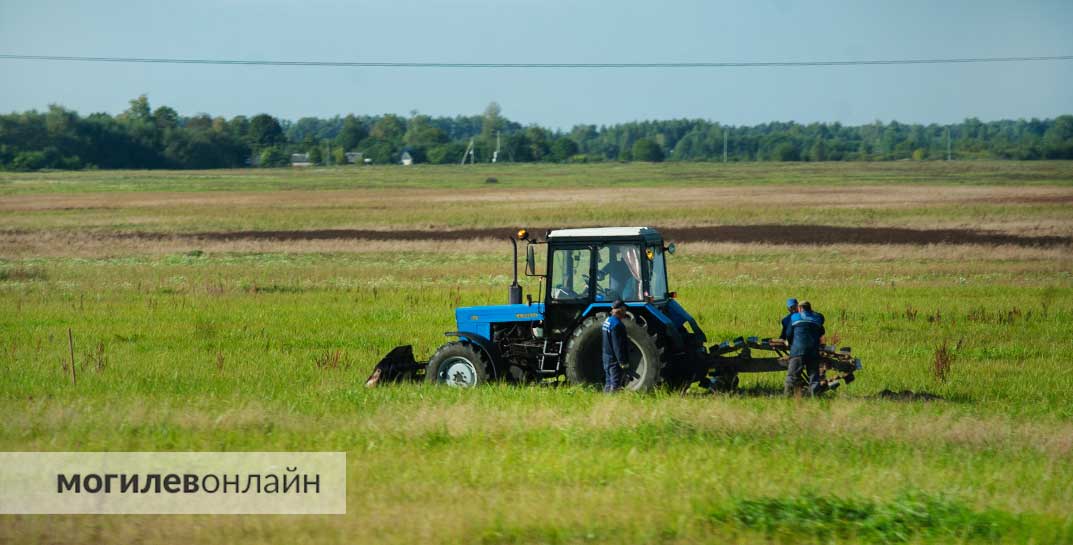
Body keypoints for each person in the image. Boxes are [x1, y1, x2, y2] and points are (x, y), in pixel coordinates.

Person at [784, 300, 828, 396]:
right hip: (813, 350)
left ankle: (788, 397)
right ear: (810, 308)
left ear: (799, 308)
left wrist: (791, 344)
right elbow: (822, 331)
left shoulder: (794, 317)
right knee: (814, 377)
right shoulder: (817, 317)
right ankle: (815, 397)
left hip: (798, 350)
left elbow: (788, 334)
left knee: (792, 375)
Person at [601, 300, 630, 392]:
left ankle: (605, 402)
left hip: (606, 357)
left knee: (608, 383)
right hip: (614, 361)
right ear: (620, 310)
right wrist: (622, 362)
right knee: (615, 386)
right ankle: (612, 403)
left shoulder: (607, 321)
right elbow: (618, 346)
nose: (625, 312)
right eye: (624, 310)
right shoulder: (617, 325)